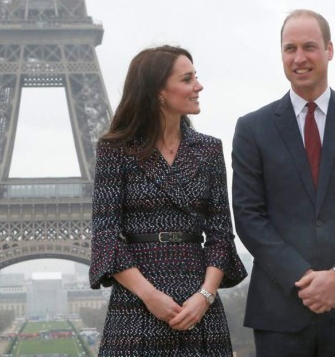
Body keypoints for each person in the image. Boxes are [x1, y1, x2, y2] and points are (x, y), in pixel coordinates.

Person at [232, 10, 335, 357]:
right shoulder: (252, 129)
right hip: (280, 306)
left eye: (309, 46)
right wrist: (304, 278)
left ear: (329, 50)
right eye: (290, 48)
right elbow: (248, 216)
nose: (299, 57)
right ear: (281, 54)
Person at [89, 45, 247, 356]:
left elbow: (220, 233)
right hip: (136, 297)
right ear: (159, 92)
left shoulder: (209, 150)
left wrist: (204, 296)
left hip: (197, 298)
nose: (198, 87)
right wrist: (149, 296)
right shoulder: (115, 150)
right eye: (187, 79)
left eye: (195, 78)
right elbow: (106, 235)